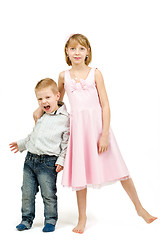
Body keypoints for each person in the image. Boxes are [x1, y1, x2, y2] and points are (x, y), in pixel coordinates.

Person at [33, 34, 157, 234]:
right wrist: (40, 109)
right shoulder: (63, 76)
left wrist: (105, 133)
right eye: (73, 49)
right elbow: (58, 100)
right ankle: (82, 218)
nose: (77, 53)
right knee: (80, 175)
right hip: (78, 131)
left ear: (88, 51)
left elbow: (106, 104)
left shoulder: (95, 74)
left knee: (121, 170)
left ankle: (140, 208)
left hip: (98, 128)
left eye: (81, 49)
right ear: (67, 52)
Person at [10, 78, 70, 232]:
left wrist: (61, 160)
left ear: (57, 96)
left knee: (48, 194)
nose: (44, 102)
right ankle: (26, 219)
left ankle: (50, 220)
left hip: (48, 162)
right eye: (40, 99)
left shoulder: (65, 119)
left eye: (47, 97)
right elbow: (34, 135)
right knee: (27, 192)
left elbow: (66, 143)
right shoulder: (42, 115)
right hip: (30, 159)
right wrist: (22, 144)